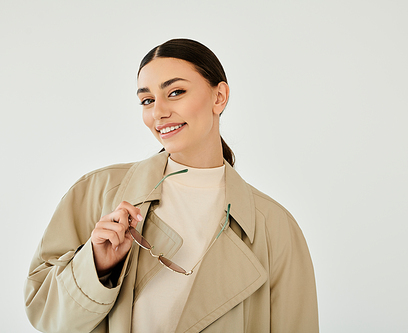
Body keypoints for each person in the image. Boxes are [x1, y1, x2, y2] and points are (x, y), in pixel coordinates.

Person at [24, 38, 319, 333]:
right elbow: (45, 315)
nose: (158, 113)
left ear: (219, 97)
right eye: (147, 100)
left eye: (175, 92)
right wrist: (97, 266)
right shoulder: (99, 192)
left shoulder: (275, 227)